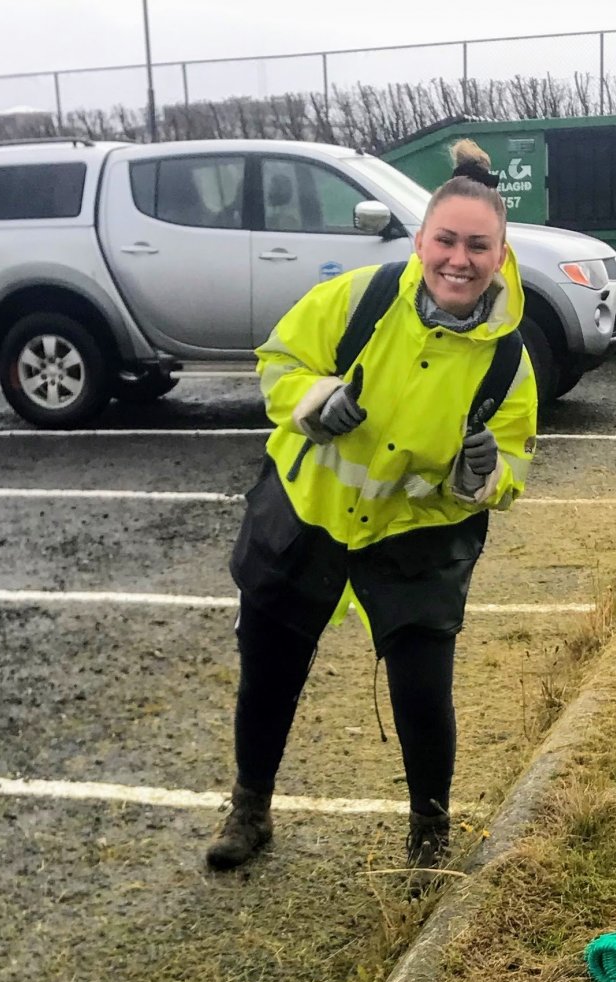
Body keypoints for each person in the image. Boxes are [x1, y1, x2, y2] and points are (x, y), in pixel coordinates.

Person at [206, 138, 538, 881]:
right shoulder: (360, 299)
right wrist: (314, 401)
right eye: (445, 241)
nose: (459, 259)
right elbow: (279, 360)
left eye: (477, 246)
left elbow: (516, 459)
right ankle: (250, 807)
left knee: (424, 694)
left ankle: (429, 835)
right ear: (421, 241)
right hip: (307, 514)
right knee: (269, 674)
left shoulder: (507, 359)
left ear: (500, 253)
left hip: (414, 536)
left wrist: (485, 478)